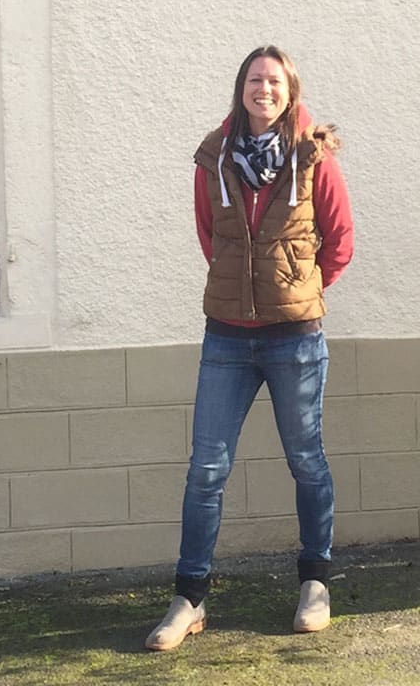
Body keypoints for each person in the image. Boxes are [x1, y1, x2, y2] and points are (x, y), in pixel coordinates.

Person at [145, 45, 354, 651]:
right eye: (254, 79)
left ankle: (315, 583)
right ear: (241, 88)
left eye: (274, 81)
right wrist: (246, 291)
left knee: (306, 461)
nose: (264, 88)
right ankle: (189, 599)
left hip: (295, 338)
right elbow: (210, 235)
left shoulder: (312, 155)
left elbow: (338, 240)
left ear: (290, 92)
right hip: (228, 337)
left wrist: (299, 291)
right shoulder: (213, 157)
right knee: (206, 469)